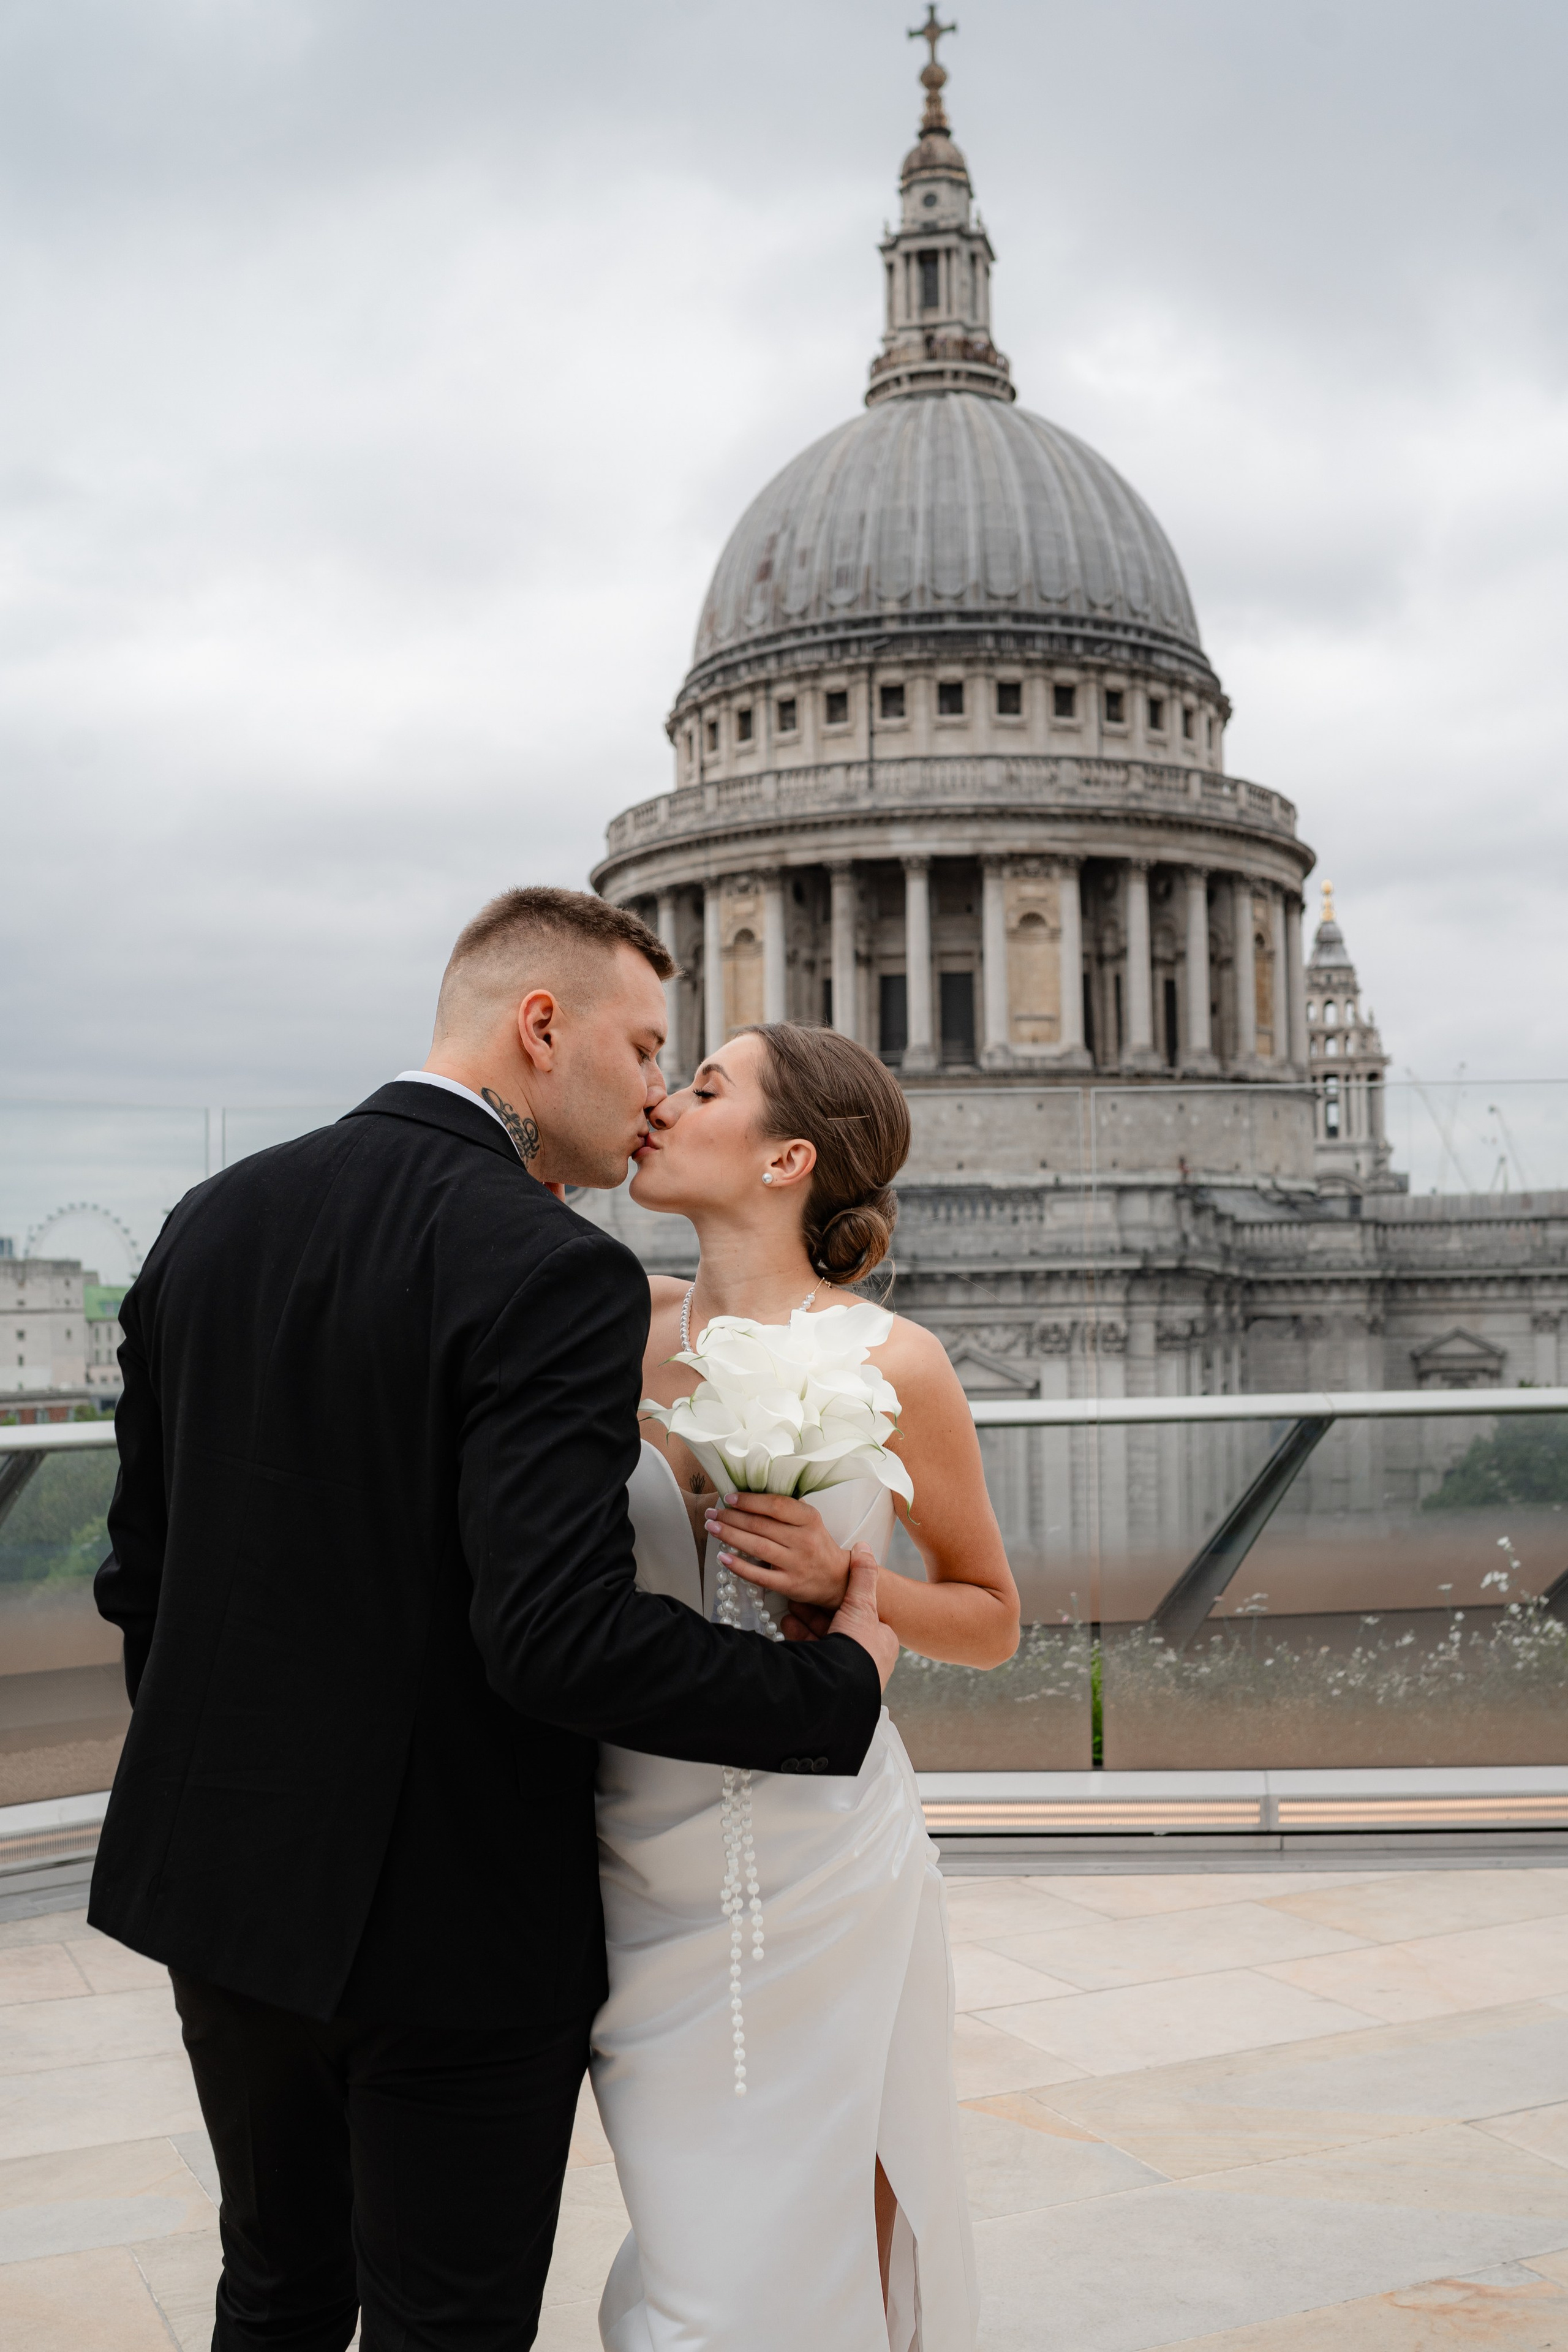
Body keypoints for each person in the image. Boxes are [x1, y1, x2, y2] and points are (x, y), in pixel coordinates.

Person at [89, 889, 897, 2352]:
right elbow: (556, 1636)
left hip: (217, 1886)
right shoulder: (549, 1269)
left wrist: (236, 1784)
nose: (655, 1089)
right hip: (452, 1923)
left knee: (270, 2293)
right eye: (647, 1047)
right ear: (543, 1030)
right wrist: (831, 1686)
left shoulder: (212, 1217)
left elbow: (140, 1578)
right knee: (443, 2323)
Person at [593, 1021, 1020, 2352]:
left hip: (828, 1857)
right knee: (693, 2240)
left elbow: (990, 1618)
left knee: (826, 2221)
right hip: (622, 1845)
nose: (660, 1102)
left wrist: (850, 1587)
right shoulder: (611, 1326)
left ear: (786, 1158)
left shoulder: (897, 1362)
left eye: (703, 1087)